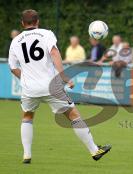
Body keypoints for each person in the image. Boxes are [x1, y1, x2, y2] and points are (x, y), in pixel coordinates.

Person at [8, 9, 111, 164]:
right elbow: (55, 54)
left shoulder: (15, 41)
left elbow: (12, 67)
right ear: (37, 22)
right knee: (73, 115)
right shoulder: (46, 34)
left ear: (22, 23)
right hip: (50, 86)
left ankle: (27, 155)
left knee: (27, 116)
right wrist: (64, 76)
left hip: (29, 88)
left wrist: (26, 79)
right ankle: (94, 150)